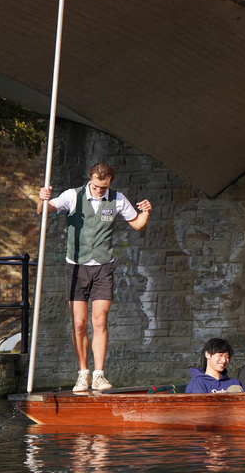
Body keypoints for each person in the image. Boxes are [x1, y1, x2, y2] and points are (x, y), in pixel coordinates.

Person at [37, 162, 152, 392]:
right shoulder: (73, 196)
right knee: (79, 323)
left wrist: (146, 212)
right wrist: (41, 199)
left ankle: (99, 375)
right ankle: (83, 374)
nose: (101, 191)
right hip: (76, 267)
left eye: (105, 187)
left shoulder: (117, 199)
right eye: (97, 186)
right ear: (90, 180)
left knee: (99, 321)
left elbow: (138, 225)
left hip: (103, 267)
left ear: (110, 182)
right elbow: (44, 211)